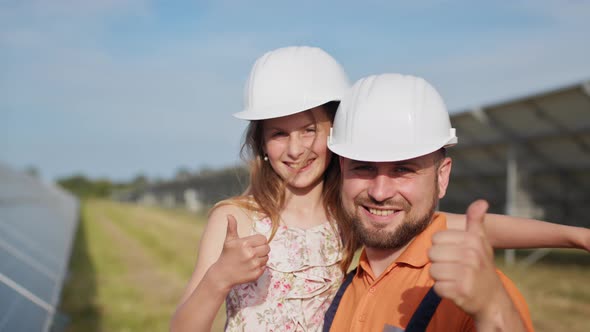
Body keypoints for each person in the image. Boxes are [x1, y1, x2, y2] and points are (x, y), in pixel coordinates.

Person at [170, 47, 590, 332]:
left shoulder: (349, 213)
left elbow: (470, 227)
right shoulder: (235, 219)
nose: (295, 148)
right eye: (278, 134)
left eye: (309, 130)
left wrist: (572, 236)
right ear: (260, 142)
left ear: (336, 131)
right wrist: (218, 279)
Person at [323, 73, 534, 331]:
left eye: (403, 170)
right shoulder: (340, 289)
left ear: (442, 176)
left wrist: (494, 311)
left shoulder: (473, 297)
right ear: (343, 169)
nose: (379, 192)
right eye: (364, 167)